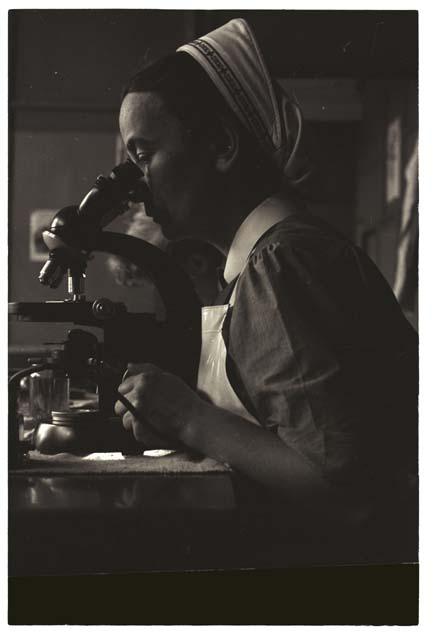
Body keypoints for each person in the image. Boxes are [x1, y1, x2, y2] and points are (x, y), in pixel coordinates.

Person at [114, 19, 417, 554]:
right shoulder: (270, 257)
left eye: (144, 154)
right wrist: (178, 425)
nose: (136, 186)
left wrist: (189, 416)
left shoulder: (281, 263)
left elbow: (343, 485)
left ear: (223, 146)